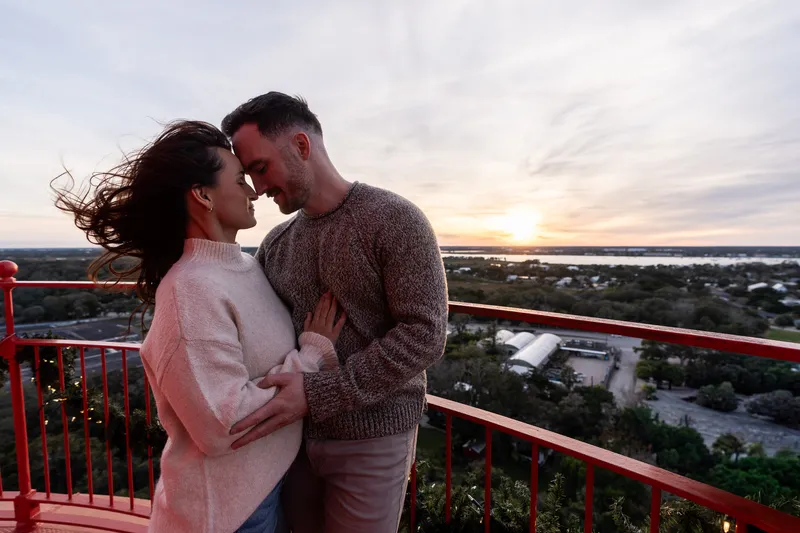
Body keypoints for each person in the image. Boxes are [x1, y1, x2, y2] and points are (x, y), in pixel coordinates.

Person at [53, 120, 346, 533]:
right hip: (228, 513)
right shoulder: (191, 290)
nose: (254, 191)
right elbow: (223, 425)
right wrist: (311, 355)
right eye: (240, 179)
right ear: (203, 196)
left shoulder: (244, 266)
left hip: (267, 489)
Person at [221, 93, 449, 532]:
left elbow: (425, 334)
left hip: (373, 437)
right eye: (249, 175)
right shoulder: (276, 243)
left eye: (261, 168)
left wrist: (319, 393)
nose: (258, 188)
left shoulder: (396, 220)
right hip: (293, 441)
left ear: (302, 146)